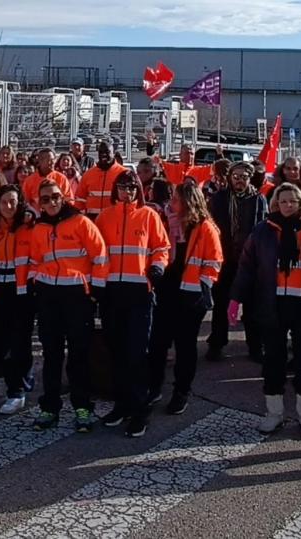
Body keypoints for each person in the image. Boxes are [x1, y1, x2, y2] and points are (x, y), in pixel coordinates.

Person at [231, 183, 301, 439]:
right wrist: (235, 299)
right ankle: (274, 414)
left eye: (293, 201)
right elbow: (247, 267)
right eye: (283, 202)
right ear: (275, 205)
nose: (288, 205)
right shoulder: (262, 232)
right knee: (273, 361)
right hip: (273, 306)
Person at [93, 170, 171, 437]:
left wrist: (157, 268)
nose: (128, 192)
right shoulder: (104, 217)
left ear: (139, 189)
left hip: (140, 291)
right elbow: (96, 252)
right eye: (123, 187)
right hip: (112, 291)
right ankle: (122, 404)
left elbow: (161, 247)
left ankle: (140, 410)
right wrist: (98, 286)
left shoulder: (149, 216)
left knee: (137, 354)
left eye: (132, 188)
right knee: (116, 352)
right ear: (116, 190)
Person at [29, 179, 107, 432]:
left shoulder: (81, 222)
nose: (51, 203)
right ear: (38, 203)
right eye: (45, 199)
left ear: (63, 197)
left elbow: (100, 256)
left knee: (78, 355)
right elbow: (34, 260)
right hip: (49, 296)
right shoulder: (38, 228)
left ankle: (82, 406)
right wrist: (35, 284)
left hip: (77, 296)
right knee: (51, 355)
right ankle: (49, 407)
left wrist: (94, 291)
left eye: (54, 197)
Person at [146, 182, 221, 415]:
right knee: (157, 344)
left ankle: (181, 391)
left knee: (185, 347)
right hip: (166, 292)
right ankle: (154, 387)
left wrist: (203, 286)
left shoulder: (205, 228)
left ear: (189, 202)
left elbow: (214, 262)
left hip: (191, 296)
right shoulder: (167, 222)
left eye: (176, 199)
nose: (171, 203)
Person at [0, 185, 37, 415]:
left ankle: (17, 390)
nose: (8, 207)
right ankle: (19, 382)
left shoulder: (29, 226)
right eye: (4, 202)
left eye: (13, 202)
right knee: (2, 341)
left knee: (20, 341)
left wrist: (31, 213)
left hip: (21, 291)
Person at [207, 161, 268, 362]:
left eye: (244, 177)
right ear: (230, 178)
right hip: (225, 258)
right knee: (221, 304)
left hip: (250, 260)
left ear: (250, 179)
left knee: (252, 306)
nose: (240, 181)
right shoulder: (220, 198)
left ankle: (255, 346)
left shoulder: (258, 199)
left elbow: (262, 228)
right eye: (236, 177)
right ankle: (216, 344)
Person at [74, 141, 128, 220]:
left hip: (115, 219)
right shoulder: (88, 174)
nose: (104, 154)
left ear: (114, 153)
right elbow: (79, 199)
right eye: (101, 152)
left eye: (107, 152)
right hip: (92, 219)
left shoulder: (123, 173)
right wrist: (83, 217)